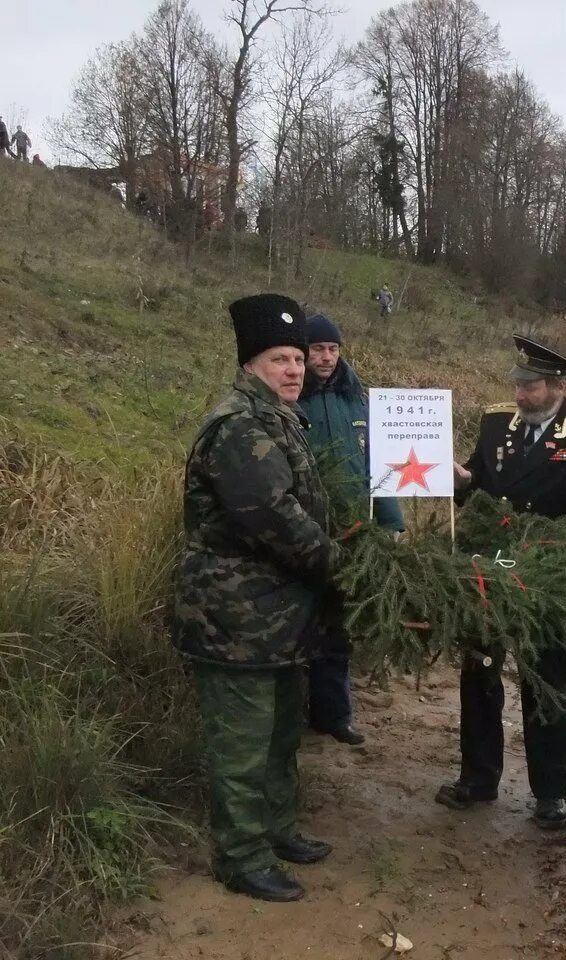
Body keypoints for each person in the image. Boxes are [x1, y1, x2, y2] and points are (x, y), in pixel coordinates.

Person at [174, 293, 337, 902]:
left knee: (279, 736)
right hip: (234, 620)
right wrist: (343, 570)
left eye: (298, 358)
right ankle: (240, 859)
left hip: (278, 618)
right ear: (249, 365)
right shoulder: (239, 427)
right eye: (279, 359)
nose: (294, 370)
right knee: (242, 744)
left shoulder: (277, 417)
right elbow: (276, 520)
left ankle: (276, 830)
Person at [435, 335, 566, 828]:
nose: (519, 395)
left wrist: (552, 559)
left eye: (530, 387)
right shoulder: (497, 423)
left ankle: (550, 792)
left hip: (544, 586)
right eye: (517, 385)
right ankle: (477, 778)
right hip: (489, 573)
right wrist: (461, 480)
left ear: (557, 386)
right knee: (480, 675)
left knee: (546, 683)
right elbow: (478, 485)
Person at [297, 312, 405, 745]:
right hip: (302, 531)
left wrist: (392, 522)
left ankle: (334, 716)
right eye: (318, 349)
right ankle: (292, 717)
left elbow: (378, 465)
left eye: (332, 349)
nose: (325, 358)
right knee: (296, 625)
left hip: (353, 530)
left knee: (337, 627)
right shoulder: (289, 399)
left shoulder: (355, 399)